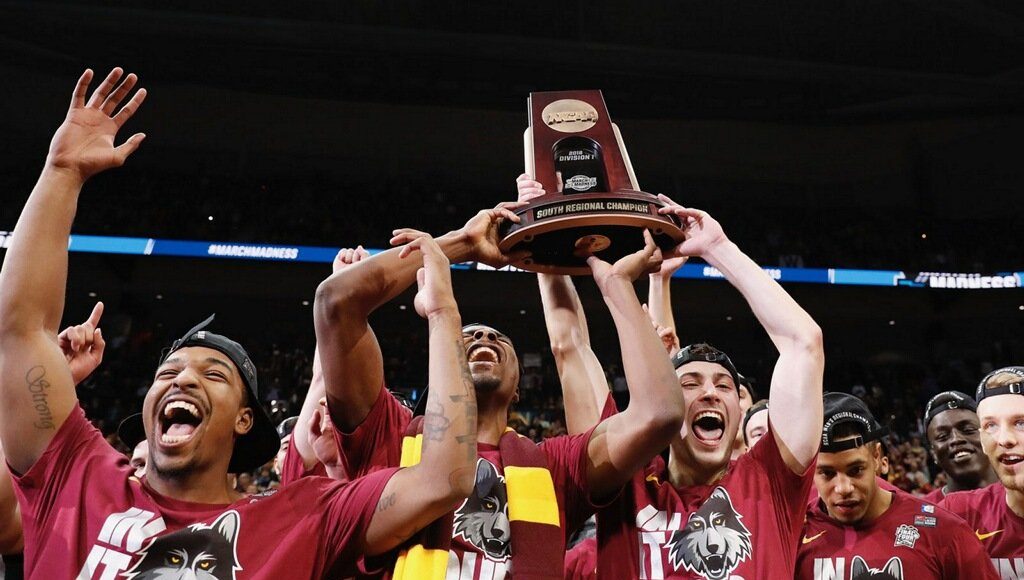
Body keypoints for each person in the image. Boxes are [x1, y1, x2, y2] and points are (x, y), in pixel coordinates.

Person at [0, 68, 481, 578]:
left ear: (245, 420)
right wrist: (62, 173)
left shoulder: (304, 518)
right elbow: (21, 330)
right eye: (168, 373)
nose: (183, 379)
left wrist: (443, 314)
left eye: (212, 375)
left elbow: (443, 480)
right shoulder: (79, 475)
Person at [315, 206, 685, 577]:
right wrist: (463, 244)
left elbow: (659, 414)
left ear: (518, 389)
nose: (484, 336)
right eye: (468, 335)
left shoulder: (557, 467)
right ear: (443, 365)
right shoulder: (389, 435)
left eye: (498, 338)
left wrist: (618, 285)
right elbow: (336, 302)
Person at [522, 175, 825, 579]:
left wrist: (717, 247)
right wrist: (546, 230)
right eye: (689, 384)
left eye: (724, 386)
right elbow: (570, 348)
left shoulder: (770, 481)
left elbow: (804, 343)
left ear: (741, 409)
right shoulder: (626, 480)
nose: (710, 393)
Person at [796, 393, 996, 579]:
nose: (843, 488)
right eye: (827, 473)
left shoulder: (945, 532)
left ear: (877, 458)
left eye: (856, 470)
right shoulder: (795, 537)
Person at [941, 367, 1024, 578]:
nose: (1005, 439)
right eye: (991, 425)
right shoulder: (957, 514)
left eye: (1021, 423)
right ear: (983, 442)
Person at [921, 390, 997, 503]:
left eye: (968, 430)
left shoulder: (1019, 492)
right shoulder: (924, 510)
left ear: (989, 436)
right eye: (942, 436)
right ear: (933, 454)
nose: (956, 439)